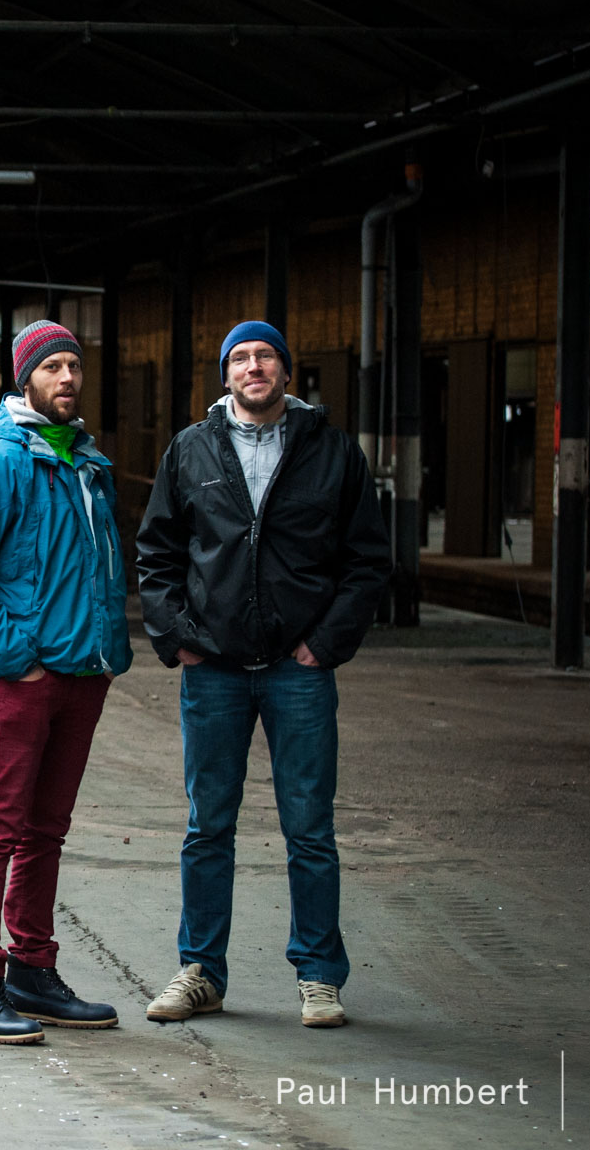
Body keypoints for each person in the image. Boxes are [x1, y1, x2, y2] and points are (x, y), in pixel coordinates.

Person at [135, 320, 389, 1029]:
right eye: (240, 358)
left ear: (286, 371)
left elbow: (366, 560)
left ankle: (318, 976)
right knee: (207, 826)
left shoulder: (333, 452)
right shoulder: (190, 450)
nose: (254, 367)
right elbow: (157, 552)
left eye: (265, 356)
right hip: (212, 667)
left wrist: (324, 644)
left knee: (309, 828)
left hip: (297, 670)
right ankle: (200, 973)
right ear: (225, 375)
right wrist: (178, 637)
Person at [0, 319, 132, 1044]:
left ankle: (32, 973)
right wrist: (16, 653)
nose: (67, 378)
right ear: (25, 380)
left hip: (85, 673)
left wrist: (104, 654)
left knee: (47, 830)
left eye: (75, 366)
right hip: (25, 678)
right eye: (52, 367)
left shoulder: (88, 464)